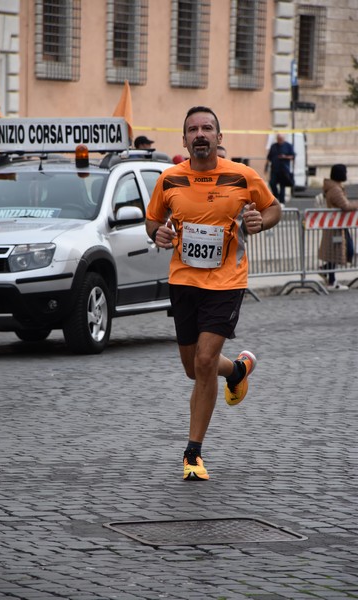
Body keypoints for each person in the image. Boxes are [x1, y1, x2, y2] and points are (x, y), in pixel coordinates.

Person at [146, 106, 281, 481]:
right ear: (184, 139)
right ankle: (237, 369)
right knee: (194, 369)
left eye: (207, 128)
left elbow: (274, 209)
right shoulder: (169, 179)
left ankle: (193, 455)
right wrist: (156, 232)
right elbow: (153, 219)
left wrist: (260, 222)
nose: (200, 134)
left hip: (227, 282)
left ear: (220, 138)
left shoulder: (243, 176)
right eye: (193, 129)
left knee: (205, 361)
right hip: (184, 282)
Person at [318, 164, 358, 290]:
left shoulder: (336, 187)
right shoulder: (335, 189)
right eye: (345, 172)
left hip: (338, 224)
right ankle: (331, 280)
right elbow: (345, 205)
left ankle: (327, 273)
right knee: (341, 251)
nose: (346, 174)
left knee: (338, 252)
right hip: (335, 225)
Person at [265, 133, 295, 205]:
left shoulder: (288, 146)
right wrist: (266, 167)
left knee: (282, 186)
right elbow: (269, 157)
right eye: (279, 139)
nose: (280, 141)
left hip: (284, 170)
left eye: (281, 139)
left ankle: (281, 202)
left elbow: (292, 156)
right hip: (275, 169)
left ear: (283, 139)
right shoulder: (273, 146)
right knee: (272, 183)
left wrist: (285, 157)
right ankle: (276, 197)